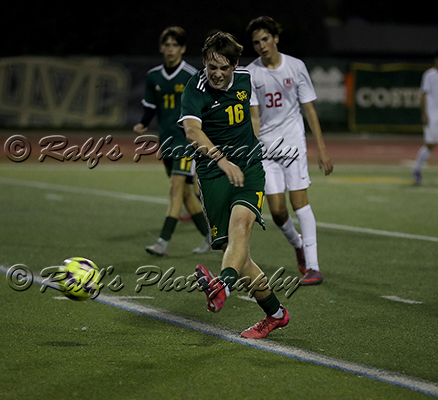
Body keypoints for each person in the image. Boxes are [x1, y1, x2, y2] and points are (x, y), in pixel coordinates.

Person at [179, 31, 289, 339]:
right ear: (204, 62)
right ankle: (276, 314)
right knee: (237, 254)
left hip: (249, 168)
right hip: (213, 175)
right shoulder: (194, 89)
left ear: (235, 65)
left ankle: (222, 286)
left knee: (241, 227)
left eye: (223, 68)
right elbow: (192, 131)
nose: (216, 73)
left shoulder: (247, 78)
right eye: (211, 66)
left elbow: (264, 107)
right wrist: (222, 160)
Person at [245, 16, 333, 286]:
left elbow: (309, 110)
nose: (262, 45)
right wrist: (251, 151)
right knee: (277, 212)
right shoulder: (251, 73)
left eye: (265, 39)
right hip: (266, 149)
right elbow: (254, 117)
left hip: (293, 145)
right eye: (256, 42)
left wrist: (321, 149)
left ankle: (314, 267)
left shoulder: (296, 67)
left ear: (276, 38)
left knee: (299, 202)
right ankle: (298, 244)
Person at [134, 26, 211, 256]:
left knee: (175, 189)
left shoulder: (191, 75)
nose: (170, 49)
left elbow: (205, 106)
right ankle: (212, 236)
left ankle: (163, 242)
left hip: (186, 142)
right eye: (167, 45)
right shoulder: (154, 76)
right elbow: (151, 106)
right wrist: (143, 123)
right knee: (186, 195)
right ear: (161, 47)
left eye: (175, 45)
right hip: (166, 141)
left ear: (183, 48)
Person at [413, 50, 438, 185]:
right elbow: (423, 94)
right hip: (432, 115)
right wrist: (424, 113)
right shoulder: (429, 75)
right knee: (430, 144)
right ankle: (417, 169)